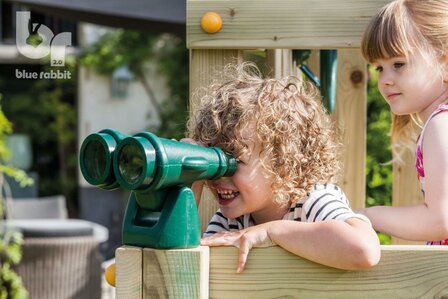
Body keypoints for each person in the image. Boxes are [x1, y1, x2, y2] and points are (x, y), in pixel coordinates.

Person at [183, 62, 380, 273]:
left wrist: (271, 232)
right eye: (214, 160)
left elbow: (364, 250)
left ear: (282, 163)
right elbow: (187, 268)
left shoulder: (312, 202)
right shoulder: (232, 220)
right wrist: (189, 179)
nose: (219, 174)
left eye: (234, 161)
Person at [359, 0, 448, 245]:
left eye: (398, 64)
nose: (385, 80)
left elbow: (441, 221)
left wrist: (367, 215)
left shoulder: (441, 126)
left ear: (445, 63)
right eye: (379, 68)